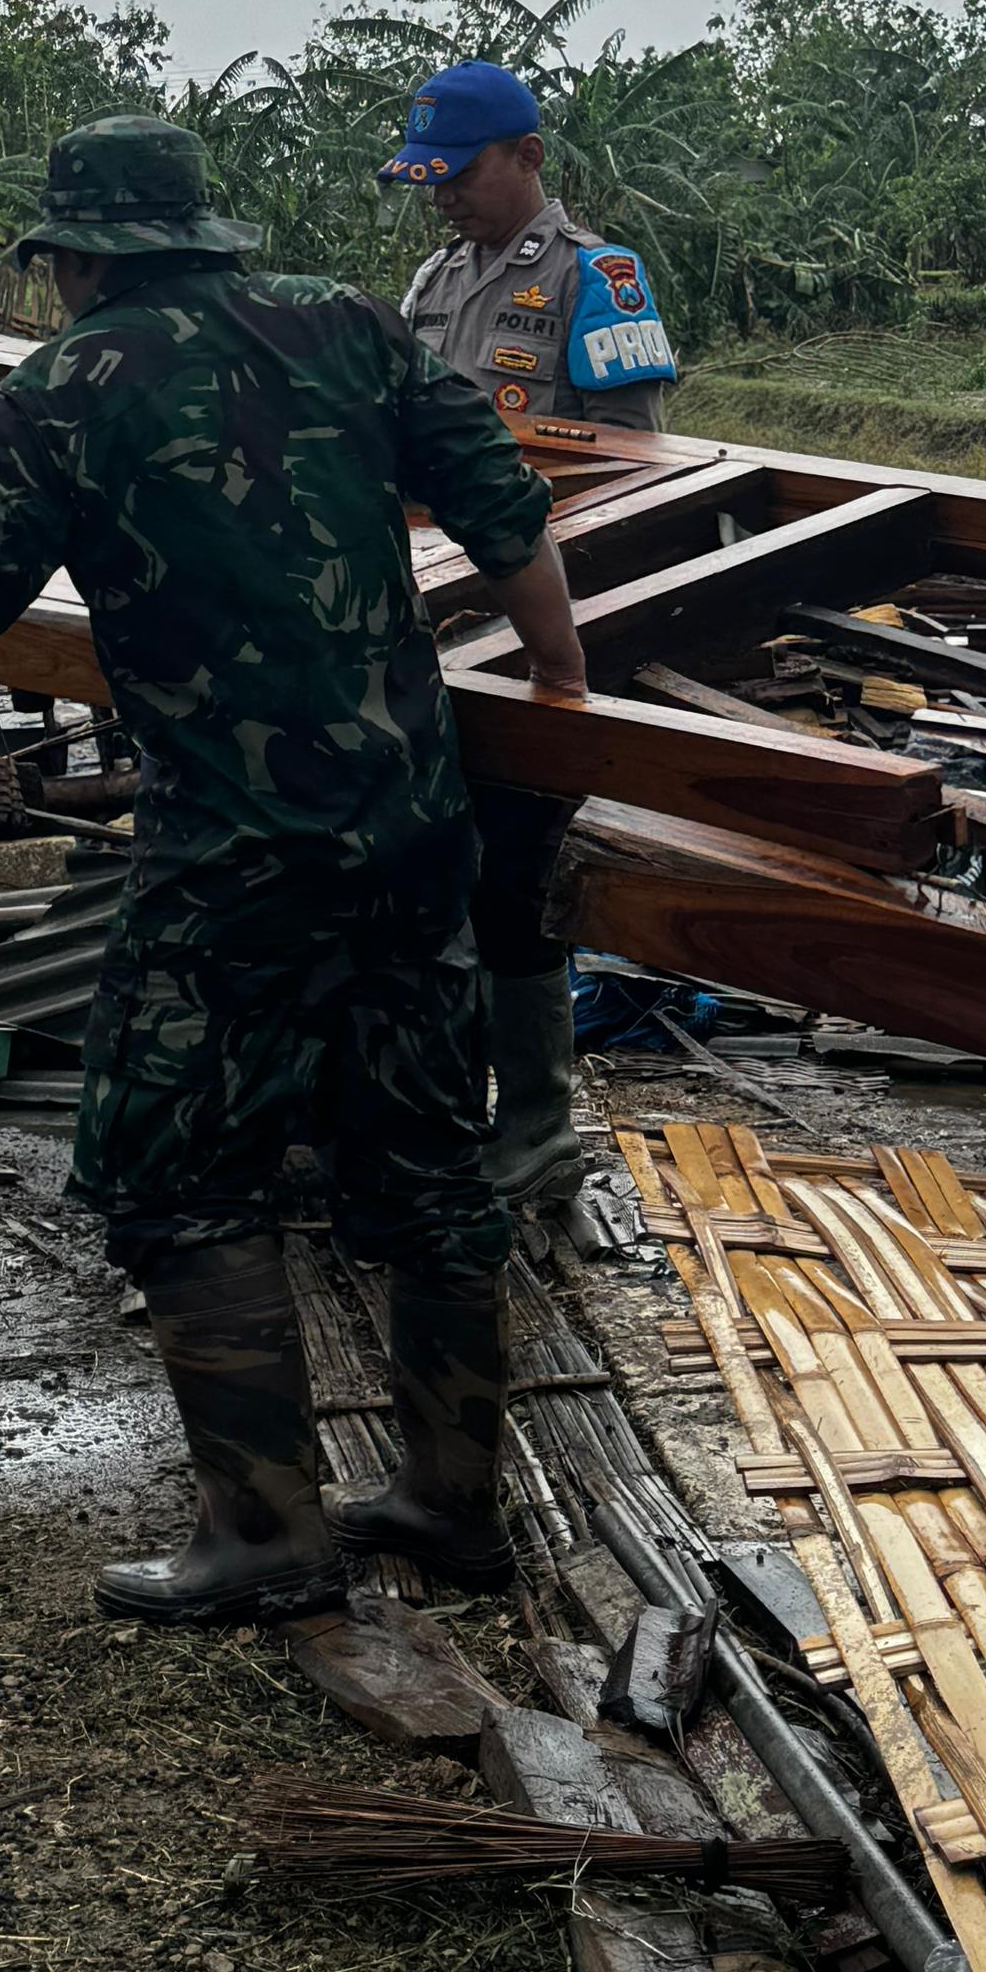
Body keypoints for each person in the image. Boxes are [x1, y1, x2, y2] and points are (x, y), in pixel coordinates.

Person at [0, 115, 590, 1630]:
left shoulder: (73, 387)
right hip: (409, 822)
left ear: (80, 255)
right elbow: (504, 505)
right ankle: (451, 1504)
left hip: (235, 852)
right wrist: (561, 679)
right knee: (427, 1161)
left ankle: (267, 1538)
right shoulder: (354, 325)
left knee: (176, 1167)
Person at [384, 59, 678, 1212]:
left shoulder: (596, 277)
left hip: (544, 608)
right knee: (435, 867)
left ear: (529, 157)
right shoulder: (433, 277)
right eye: (430, 181)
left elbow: (633, 471)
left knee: (516, 870)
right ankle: (452, 1101)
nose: (443, 198)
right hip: (433, 612)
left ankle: (541, 1123)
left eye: (460, 176)